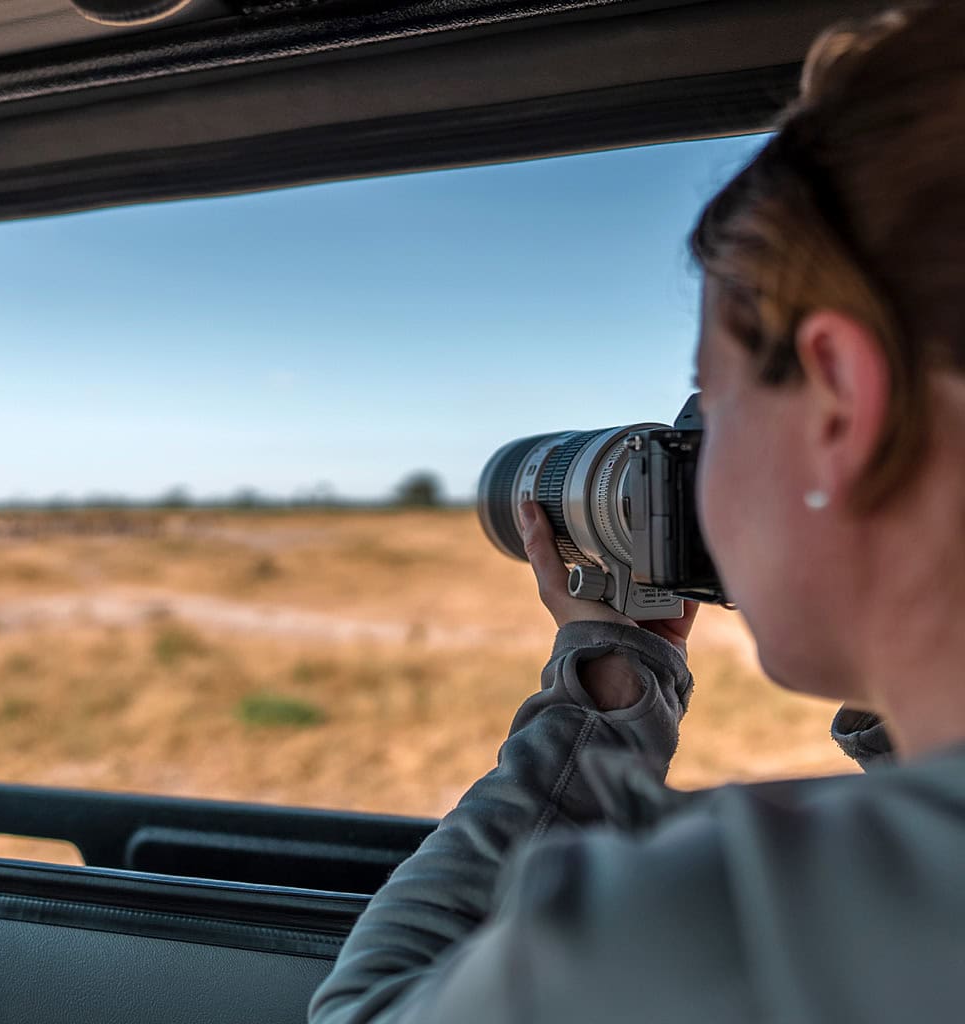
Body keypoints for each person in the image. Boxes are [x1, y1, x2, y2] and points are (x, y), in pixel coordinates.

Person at [308, 5, 965, 1021]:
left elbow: (367, 1010)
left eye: (711, 404)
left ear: (838, 400)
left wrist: (603, 694)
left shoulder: (718, 925)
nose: (693, 465)